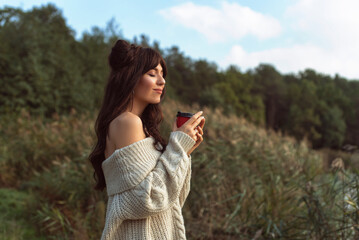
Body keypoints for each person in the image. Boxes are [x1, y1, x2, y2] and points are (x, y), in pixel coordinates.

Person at [89, 39, 206, 240]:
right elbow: (147, 199)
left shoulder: (142, 127)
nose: (162, 81)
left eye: (162, 74)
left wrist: (184, 151)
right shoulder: (127, 122)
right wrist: (176, 147)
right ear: (130, 79)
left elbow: (172, 199)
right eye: (152, 74)